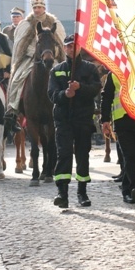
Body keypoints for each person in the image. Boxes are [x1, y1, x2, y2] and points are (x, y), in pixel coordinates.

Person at [48, 35, 101, 208]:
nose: (71, 49)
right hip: (63, 120)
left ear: (79, 48)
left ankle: (82, 192)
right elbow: (52, 94)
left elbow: (96, 88)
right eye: (68, 47)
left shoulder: (90, 68)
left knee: (82, 155)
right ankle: (62, 193)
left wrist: (80, 88)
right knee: (63, 155)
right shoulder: (56, 70)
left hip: (83, 119)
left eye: (74, 46)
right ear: (64, 49)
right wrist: (65, 94)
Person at [5, 0, 66, 131]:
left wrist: (49, 53)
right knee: (16, 79)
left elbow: (60, 43)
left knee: (63, 77)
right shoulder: (25, 24)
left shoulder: (54, 22)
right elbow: (20, 45)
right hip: (30, 58)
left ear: (44, 8)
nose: (37, 10)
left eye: (39, 7)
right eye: (34, 7)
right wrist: (36, 52)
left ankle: (68, 105)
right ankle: (13, 110)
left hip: (51, 57)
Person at [100, 73, 135, 204]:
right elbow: (106, 96)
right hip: (122, 121)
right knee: (130, 156)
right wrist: (105, 119)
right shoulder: (113, 74)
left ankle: (127, 186)